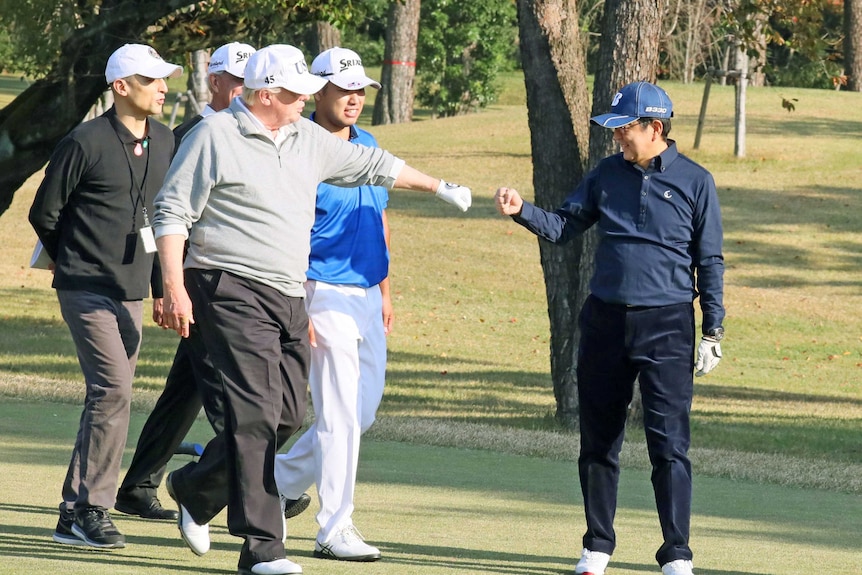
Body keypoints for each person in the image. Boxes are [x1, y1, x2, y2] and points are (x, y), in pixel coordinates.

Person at [152, 44, 471, 575]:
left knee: (286, 416)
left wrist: (440, 187)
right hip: (227, 285)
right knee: (254, 413)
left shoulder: (307, 140)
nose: (306, 101)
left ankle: (196, 487)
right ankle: (262, 548)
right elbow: (171, 209)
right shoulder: (215, 137)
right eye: (298, 94)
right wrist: (172, 285)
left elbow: (375, 165)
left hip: (287, 293)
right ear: (267, 94)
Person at [494, 81, 725, 575]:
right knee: (599, 440)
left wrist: (713, 331)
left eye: (624, 128)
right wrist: (522, 212)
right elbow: (563, 226)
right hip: (605, 322)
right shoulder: (605, 175)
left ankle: (676, 554)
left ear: (654, 128)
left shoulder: (695, 181)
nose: (617, 137)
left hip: (667, 326)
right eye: (615, 128)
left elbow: (709, 261)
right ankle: (597, 545)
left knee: (669, 445)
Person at [28, 44, 182, 548]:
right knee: (113, 391)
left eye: (164, 79)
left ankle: (71, 512)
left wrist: (163, 287)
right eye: (151, 79)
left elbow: (163, 222)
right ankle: (94, 507)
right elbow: (44, 213)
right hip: (85, 288)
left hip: (133, 290)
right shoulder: (84, 140)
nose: (163, 87)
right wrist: (74, 261)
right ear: (121, 87)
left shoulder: (164, 140)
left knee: (107, 398)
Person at [114, 41, 256, 522]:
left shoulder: (251, 133)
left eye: (252, 80)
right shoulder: (190, 133)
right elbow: (161, 216)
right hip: (198, 282)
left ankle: (137, 486)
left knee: (187, 390)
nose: (245, 89)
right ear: (214, 81)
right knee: (224, 389)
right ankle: (254, 485)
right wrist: (164, 284)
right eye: (236, 80)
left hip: (226, 281)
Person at [272, 46, 390, 562]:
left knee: (358, 415)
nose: (354, 98)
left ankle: (268, 481)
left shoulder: (368, 144)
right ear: (315, 91)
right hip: (321, 289)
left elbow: (380, 219)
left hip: (367, 292)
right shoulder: (301, 147)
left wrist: (386, 292)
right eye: (344, 88)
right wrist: (299, 304)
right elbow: (289, 230)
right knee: (339, 416)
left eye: (360, 89)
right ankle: (333, 528)